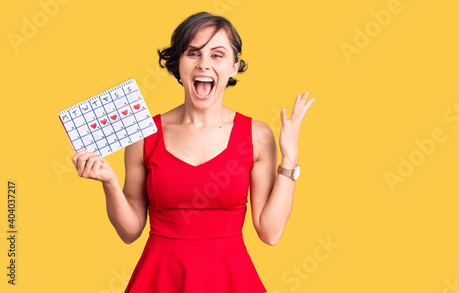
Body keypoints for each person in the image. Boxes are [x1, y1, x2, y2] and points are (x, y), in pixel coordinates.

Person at [72, 11, 315, 292]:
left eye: (217, 55)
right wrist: (109, 182)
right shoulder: (145, 134)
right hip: (160, 278)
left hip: (230, 279)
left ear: (234, 66)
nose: (203, 65)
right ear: (178, 63)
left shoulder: (257, 136)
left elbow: (270, 233)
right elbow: (129, 231)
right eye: (193, 53)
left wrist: (290, 159)